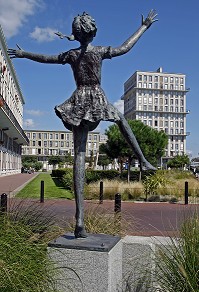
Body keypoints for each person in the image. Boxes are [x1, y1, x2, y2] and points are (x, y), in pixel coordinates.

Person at [8, 10, 158, 238]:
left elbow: (46, 58)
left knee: (79, 155)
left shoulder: (72, 54)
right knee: (120, 120)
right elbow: (125, 47)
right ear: (93, 33)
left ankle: (79, 219)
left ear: (76, 35)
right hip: (96, 97)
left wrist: (24, 53)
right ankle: (143, 160)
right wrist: (144, 27)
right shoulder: (98, 51)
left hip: (79, 99)